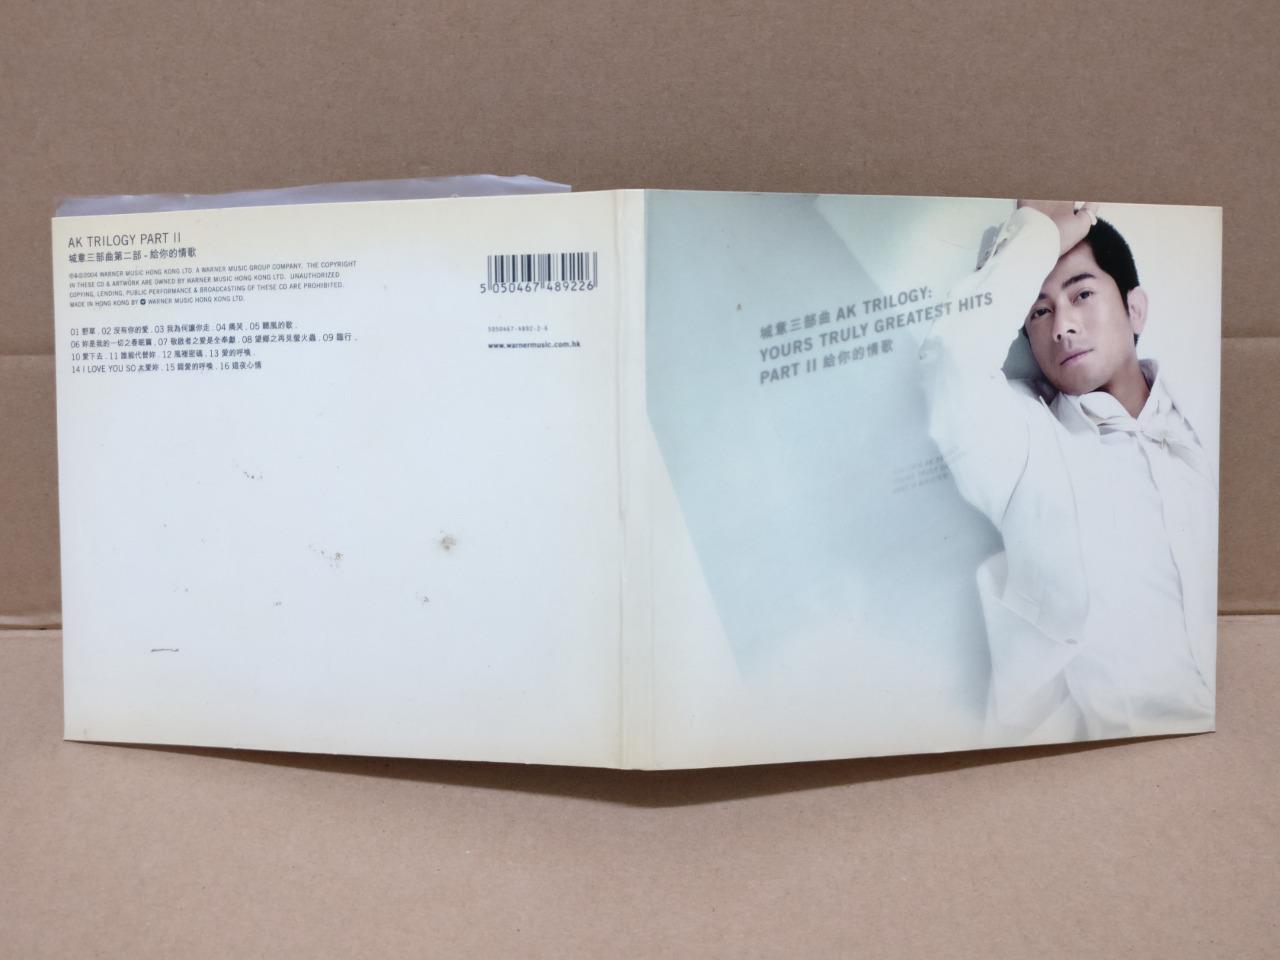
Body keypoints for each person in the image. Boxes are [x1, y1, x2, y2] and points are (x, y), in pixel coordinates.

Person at [918, 199, 1217, 744]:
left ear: (1135, 310)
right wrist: (1035, 236)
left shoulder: (1205, 413)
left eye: (1081, 295)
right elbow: (952, 359)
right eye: (1039, 312)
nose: (1062, 327)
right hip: (1117, 754)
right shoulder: (1025, 442)